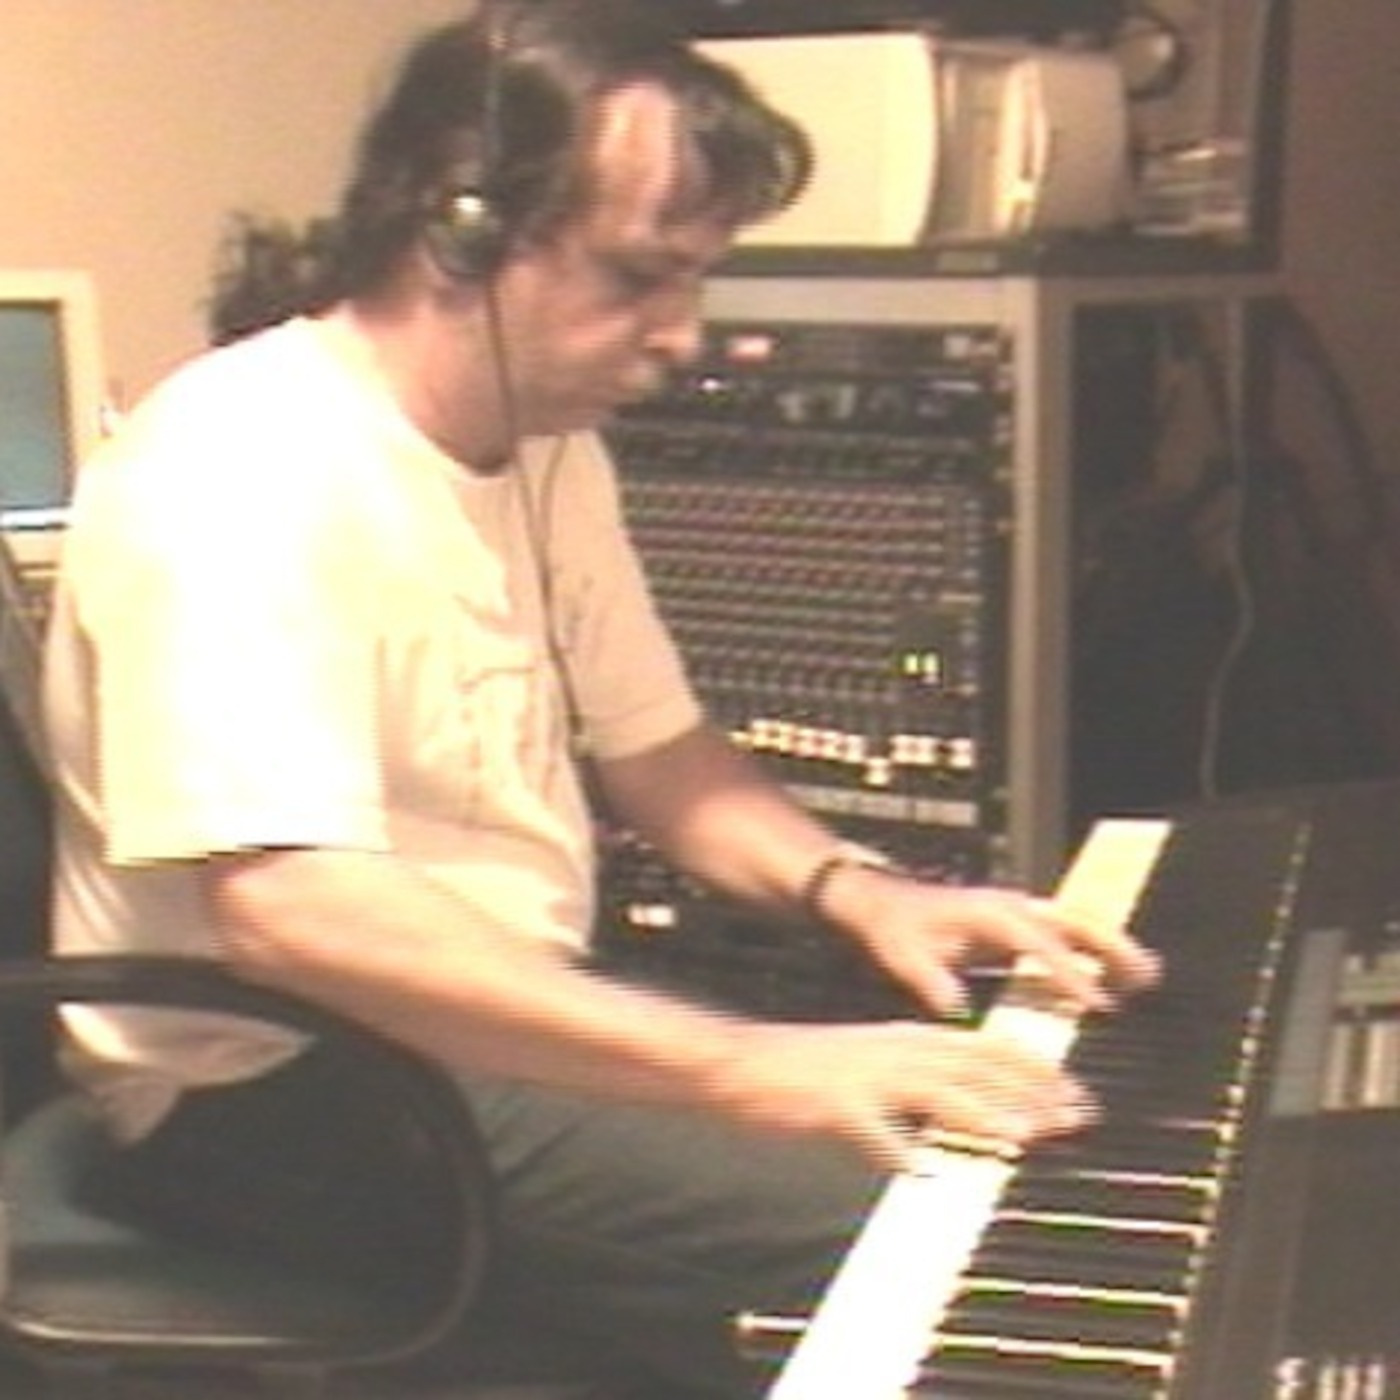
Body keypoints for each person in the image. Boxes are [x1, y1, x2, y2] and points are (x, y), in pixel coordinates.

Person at [44, 3, 1159, 1395]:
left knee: (990, 1160)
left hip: (475, 1024)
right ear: (459, 232)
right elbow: (293, 912)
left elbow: (663, 757)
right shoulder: (238, 467)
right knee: (965, 1239)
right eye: (639, 277)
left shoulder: (546, 445)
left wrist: (864, 894)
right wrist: (753, 1068)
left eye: (696, 281)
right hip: (272, 1086)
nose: (681, 336)